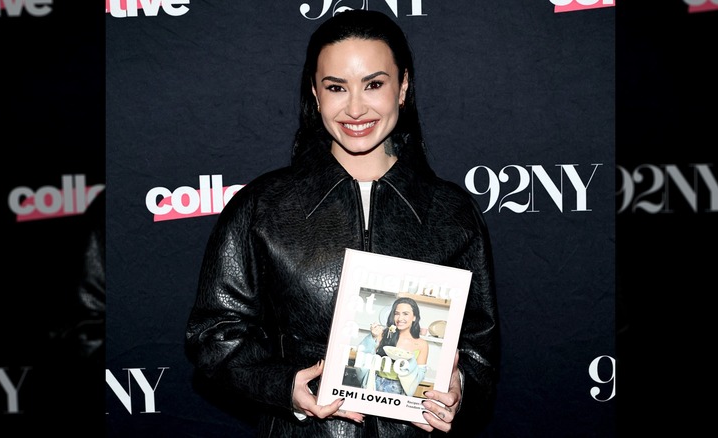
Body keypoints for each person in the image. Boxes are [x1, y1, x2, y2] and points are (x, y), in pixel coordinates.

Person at [185, 9, 500, 437]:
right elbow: (213, 335)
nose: (355, 108)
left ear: (403, 87)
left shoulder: (452, 212)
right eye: (336, 87)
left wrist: (459, 387)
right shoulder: (262, 207)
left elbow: (479, 347)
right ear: (315, 95)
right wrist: (283, 386)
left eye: (374, 84)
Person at [355, 297, 429, 396]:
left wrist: (407, 361)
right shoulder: (383, 334)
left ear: (414, 317)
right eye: (396, 313)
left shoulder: (422, 344)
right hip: (375, 385)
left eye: (405, 314)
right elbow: (362, 355)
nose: (400, 318)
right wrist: (372, 337)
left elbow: (419, 375)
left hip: (400, 390)